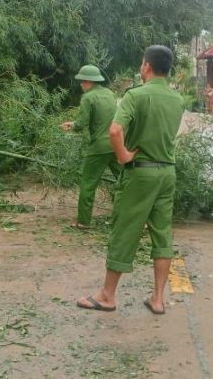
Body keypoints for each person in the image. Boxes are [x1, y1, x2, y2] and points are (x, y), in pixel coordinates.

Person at [76, 45, 184, 315]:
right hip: (167, 172)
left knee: (125, 229)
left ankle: (107, 295)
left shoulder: (136, 95)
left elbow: (115, 130)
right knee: (162, 233)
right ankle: (157, 299)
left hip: (140, 173)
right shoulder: (177, 99)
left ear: (147, 66)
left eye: (142, 63)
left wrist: (123, 155)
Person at [60, 65, 120, 229]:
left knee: (88, 184)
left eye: (82, 81)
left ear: (88, 81)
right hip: (115, 144)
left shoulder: (87, 98)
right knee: (124, 181)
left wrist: (72, 125)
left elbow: (82, 123)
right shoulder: (109, 94)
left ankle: (83, 222)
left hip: (98, 147)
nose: (81, 84)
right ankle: (130, 218)